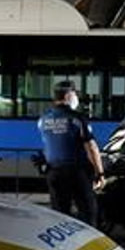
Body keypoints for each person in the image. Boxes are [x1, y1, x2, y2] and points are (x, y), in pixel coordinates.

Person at [37, 80, 102, 226]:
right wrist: (100, 173)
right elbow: (91, 147)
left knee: (59, 216)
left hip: (53, 172)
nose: (76, 97)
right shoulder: (77, 118)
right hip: (76, 171)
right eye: (74, 94)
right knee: (88, 211)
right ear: (68, 96)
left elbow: (48, 145)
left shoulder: (43, 120)